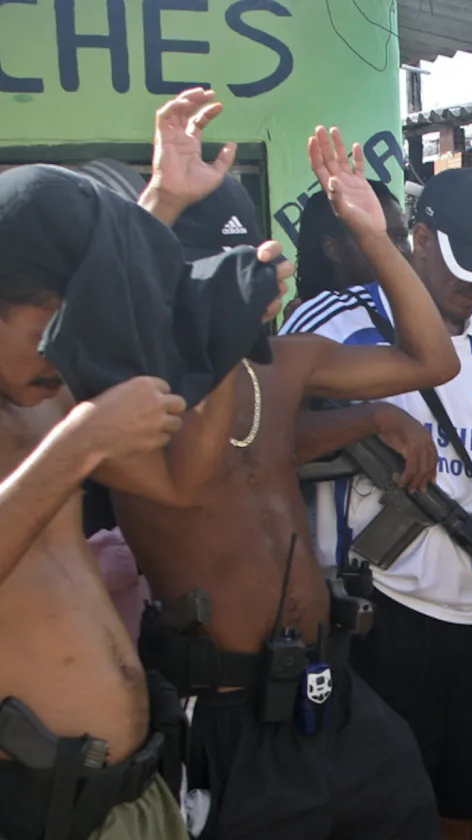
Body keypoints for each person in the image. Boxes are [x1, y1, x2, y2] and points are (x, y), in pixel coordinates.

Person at [112, 89, 459, 838]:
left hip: (328, 689)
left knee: (407, 807)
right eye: (223, 268)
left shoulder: (284, 365)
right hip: (223, 710)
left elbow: (432, 361)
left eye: (254, 260)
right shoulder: (133, 383)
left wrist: (374, 237)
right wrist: (160, 205)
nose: (252, 279)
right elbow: (194, 475)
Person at [0, 158, 288, 837]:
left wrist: (217, 343)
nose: (61, 356)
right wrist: (79, 443)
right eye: (50, 329)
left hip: (126, 794)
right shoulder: (64, 423)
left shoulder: (46, 403)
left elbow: (181, 483)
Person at [283, 167, 472, 840]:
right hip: (371, 612)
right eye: (461, 267)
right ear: (417, 239)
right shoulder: (334, 319)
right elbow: (261, 442)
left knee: (458, 801)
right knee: (372, 811)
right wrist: (370, 420)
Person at [285, 180, 411, 321]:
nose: (397, 251)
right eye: (375, 240)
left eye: (401, 236)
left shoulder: (422, 313)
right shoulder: (312, 328)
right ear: (333, 249)